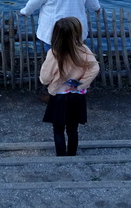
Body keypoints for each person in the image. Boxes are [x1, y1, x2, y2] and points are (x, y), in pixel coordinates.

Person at [39, 17, 100, 156]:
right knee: (73, 129)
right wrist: (78, 85)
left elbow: (45, 78)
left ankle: (61, 155)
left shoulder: (54, 53)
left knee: (58, 129)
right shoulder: (84, 50)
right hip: (76, 96)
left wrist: (49, 80)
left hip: (59, 97)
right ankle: (72, 154)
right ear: (77, 33)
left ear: (56, 34)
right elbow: (94, 69)